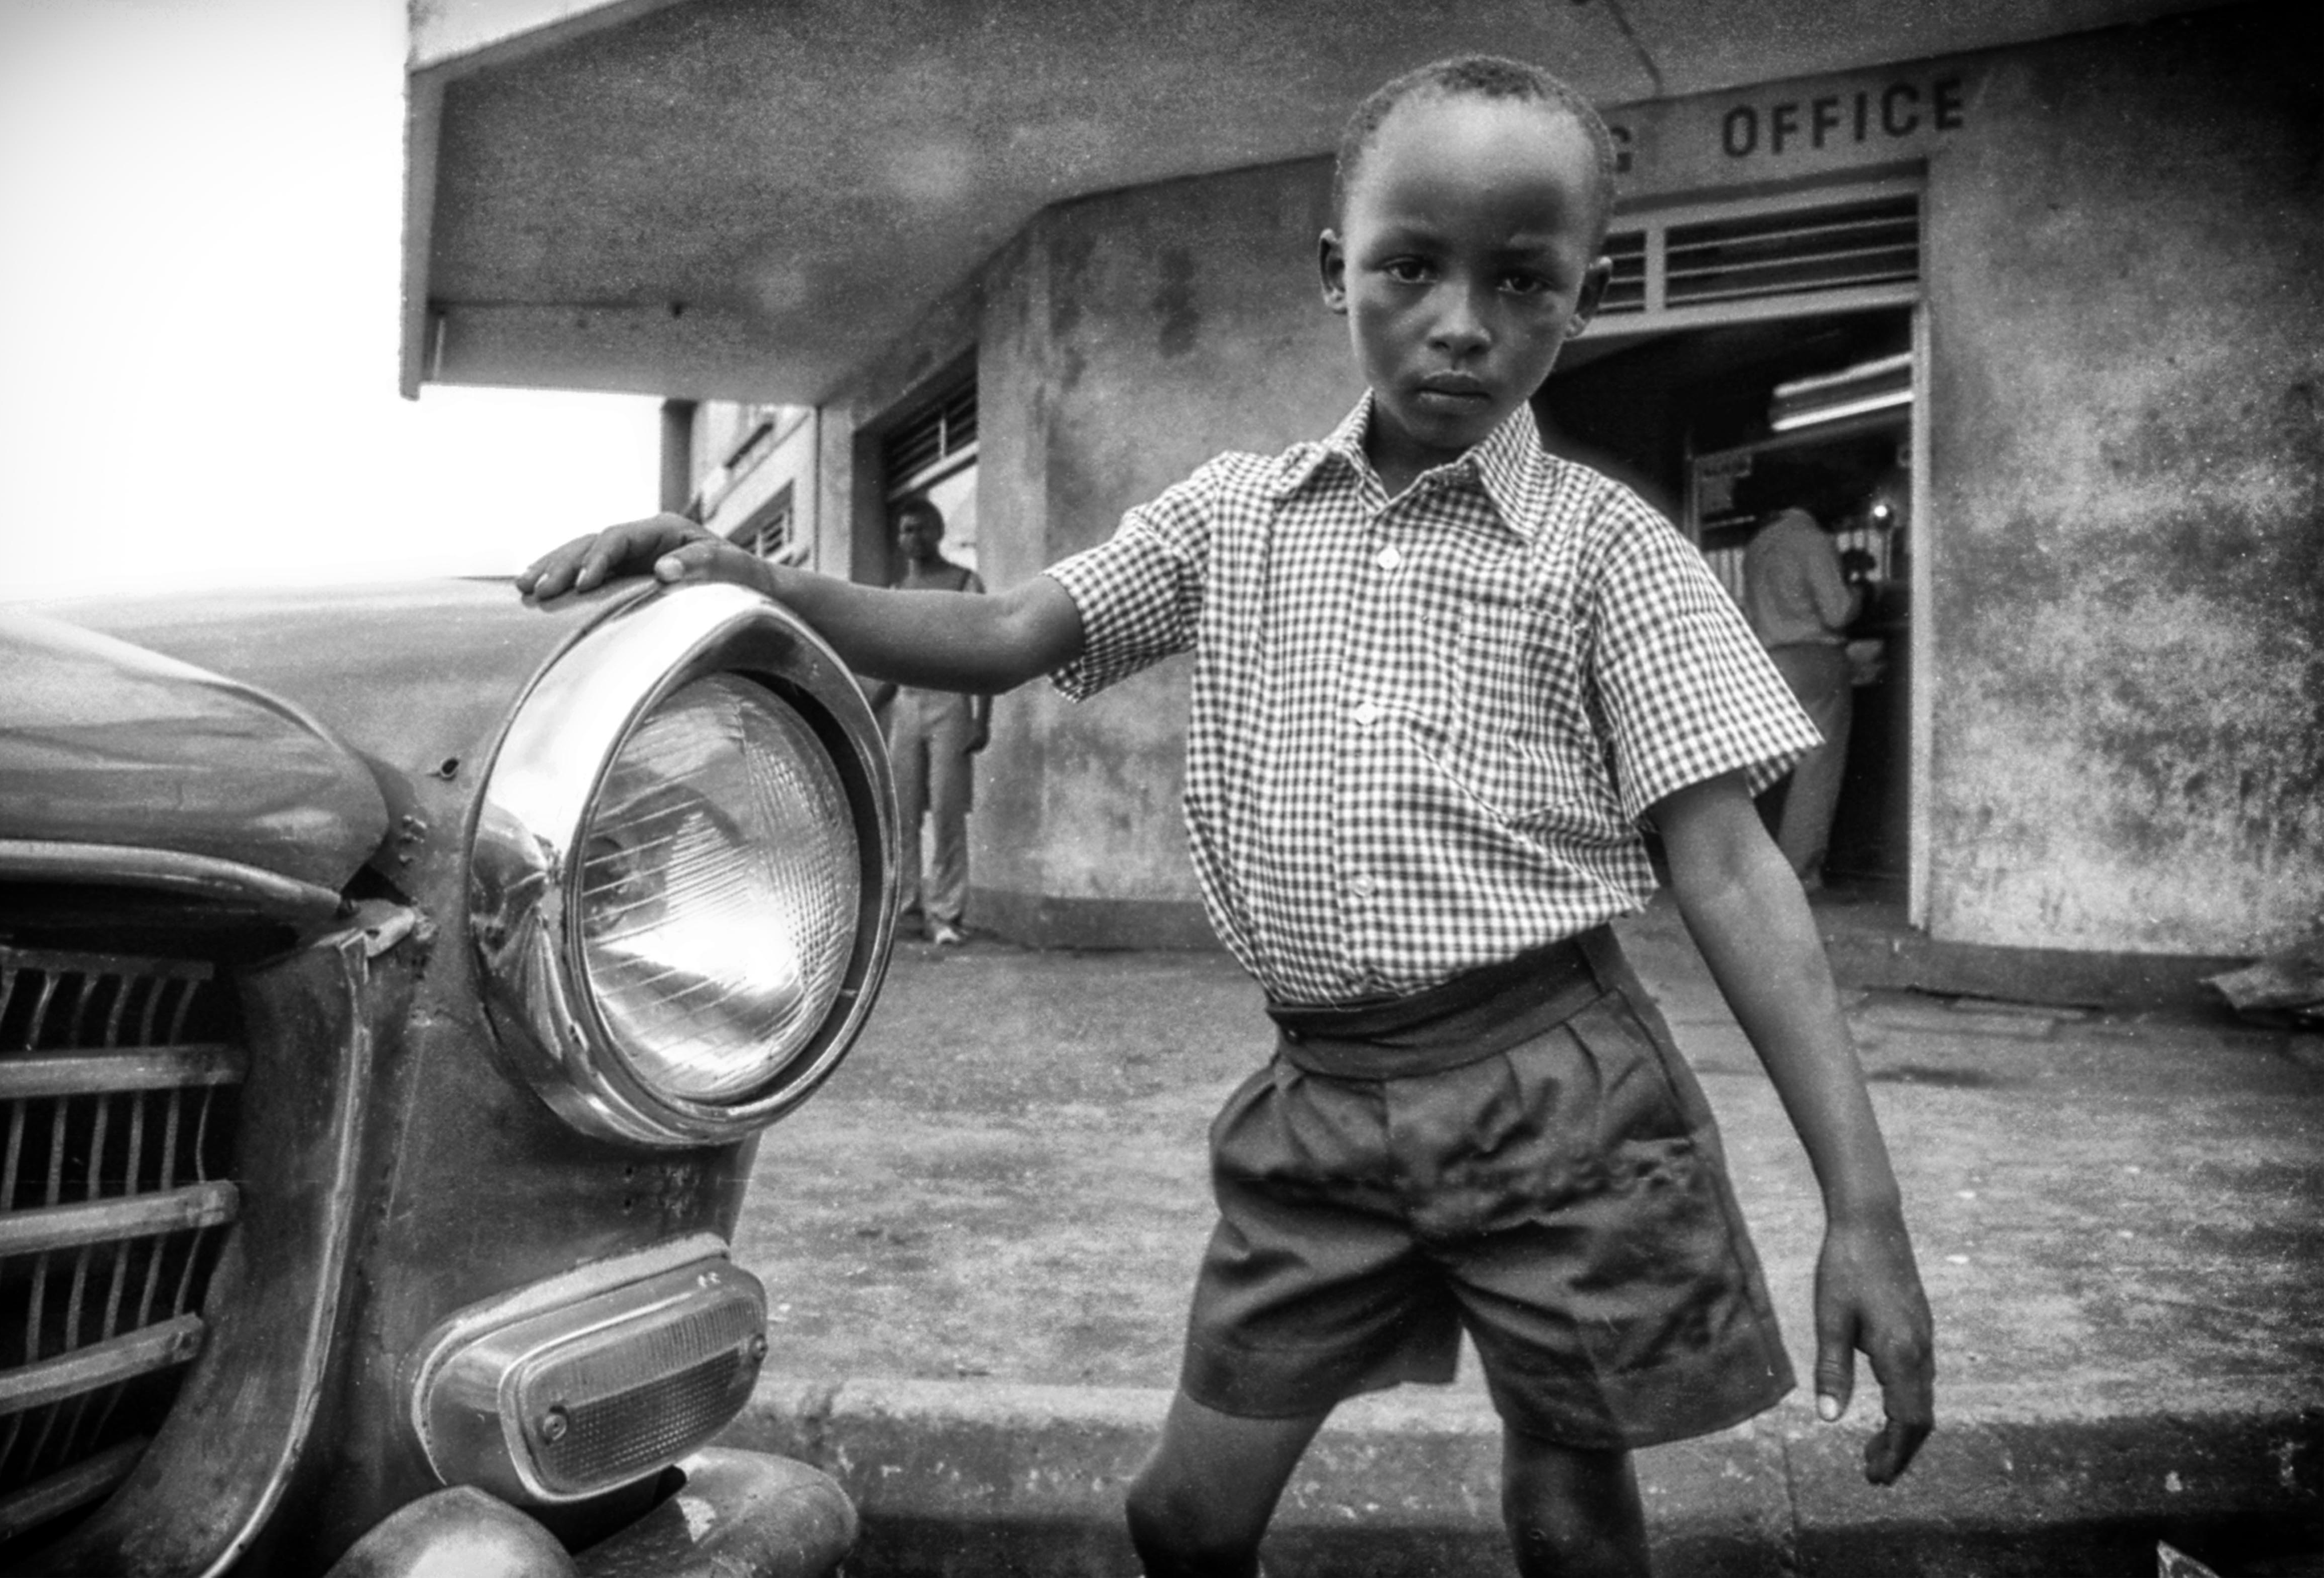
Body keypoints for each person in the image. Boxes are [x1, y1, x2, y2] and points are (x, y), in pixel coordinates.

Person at [520, 53, 1933, 1577]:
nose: (1462, 323)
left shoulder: (1606, 553)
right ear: (1338, 271)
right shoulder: (1231, 518)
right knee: (1182, 1515)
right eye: (1410, 267)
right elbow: (1005, 630)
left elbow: (1729, 870)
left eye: (1522, 283)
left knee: (1568, 1509)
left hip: (1562, 1101)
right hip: (1320, 1104)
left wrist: (1861, 1213)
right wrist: (758, 582)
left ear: (1578, 298)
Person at [877, 496, 990, 946]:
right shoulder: (895, 593)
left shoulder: (965, 581)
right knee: (901, 813)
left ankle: (945, 914)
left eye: (922, 529)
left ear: (940, 532)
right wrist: (866, 706)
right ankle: (907, 910)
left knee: (946, 812)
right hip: (907, 705)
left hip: (950, 706)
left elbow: (985, 652)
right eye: (906, 530)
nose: (914, 538)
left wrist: (983, 718)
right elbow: (890, 664)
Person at [1741, 505, 1867, 892]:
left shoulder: (1757, 547)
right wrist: (1859, 588)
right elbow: (1838, 612)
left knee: (1762, 770)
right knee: (1817, 769)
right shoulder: (1814, 541)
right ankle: (1799, 872)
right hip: (1814, 662)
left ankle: (1748, 865)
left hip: (1768, 663)